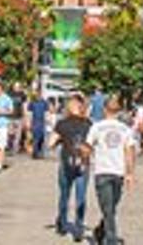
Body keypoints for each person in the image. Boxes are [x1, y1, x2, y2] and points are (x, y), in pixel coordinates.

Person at [88, 94, 138, 245]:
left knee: (110, 208)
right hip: (112, 171)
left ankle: (100, 230)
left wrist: (83, 158)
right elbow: (130, 151)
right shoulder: (125, 129)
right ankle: (111, 240)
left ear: (104, 109)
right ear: (119, 110)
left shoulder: (97, 127)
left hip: (107, 171)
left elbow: (88, 146)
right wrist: (130, 173)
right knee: (109, 208)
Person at [53, 94, 93, 242]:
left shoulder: (62, 123)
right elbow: (93, 144)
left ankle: (62, 224)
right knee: (81, 197)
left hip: (66, 162)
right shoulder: (88, 124)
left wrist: (60, 141)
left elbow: (51, 143)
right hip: (83, 164)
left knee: (64, 195)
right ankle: (79, 227)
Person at [30, 89, 51, 159]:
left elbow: (47, 112)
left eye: (39, 94)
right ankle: (35, 153)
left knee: (42, 138)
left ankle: (40, 152)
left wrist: (48, 121)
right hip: (35, 122)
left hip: (43, 122)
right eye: (36, 94)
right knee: (36, 138)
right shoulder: (32, 102)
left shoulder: (44, 103)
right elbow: (30, 113)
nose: (37, 96)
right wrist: (28, 122)